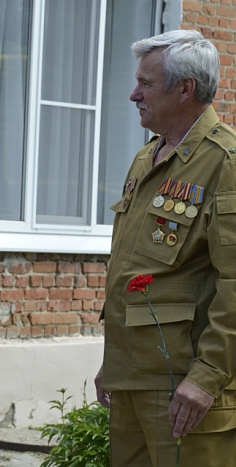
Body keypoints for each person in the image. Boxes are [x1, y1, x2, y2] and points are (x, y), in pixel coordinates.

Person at [95, 29, 236, 466]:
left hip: (184, 387)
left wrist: (207, 377)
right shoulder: (147, 158)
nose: (134, 94)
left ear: (185, 89)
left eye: (146, 83)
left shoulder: (225, 163)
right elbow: (133, 267)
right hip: (133, 376)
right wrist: (112, 363)